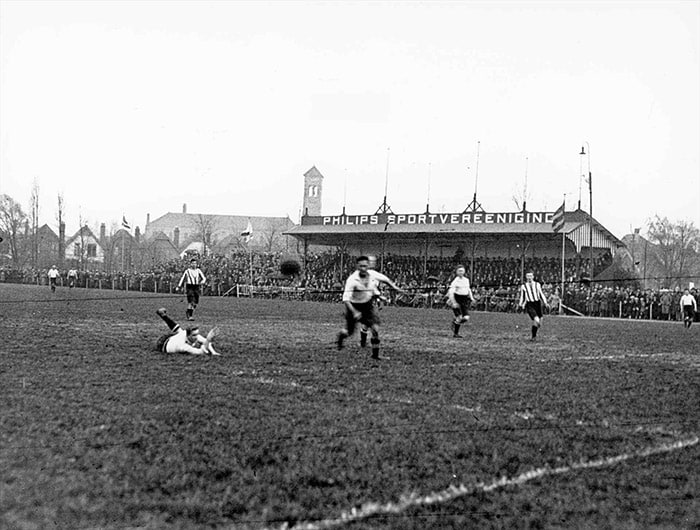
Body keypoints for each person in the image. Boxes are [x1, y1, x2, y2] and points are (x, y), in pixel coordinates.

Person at [336, 256, 394, 360]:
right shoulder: (352, 279)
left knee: (375, 328)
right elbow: (346, 299)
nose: (363, 268)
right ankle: (340, 338)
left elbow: (373, 289)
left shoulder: (371, 275)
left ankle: (375, 355)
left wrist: (381, 295)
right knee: (349, 332)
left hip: (366, 306)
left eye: (365, 266)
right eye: (361, 266)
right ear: (357, 266)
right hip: (353, 306)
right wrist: (354, 312)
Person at [356, 255, 406, 347]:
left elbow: (384, 282)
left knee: (366, 323)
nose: (373, 263)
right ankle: (371, 344)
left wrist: (380, 297)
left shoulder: (372, 274)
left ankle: (363, 342)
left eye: (374, 261)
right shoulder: (366, 273)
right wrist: (396, 289)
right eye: (371, 261)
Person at [155, 307, 220, 355]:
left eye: (197, 334)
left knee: (179, 330)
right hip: (163, 343)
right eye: (194, 335)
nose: (196, 337)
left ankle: (163, 315)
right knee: (179, 331)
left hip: (174, 338)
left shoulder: (190, 334)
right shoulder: (182, 346)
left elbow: (207, 344)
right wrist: (208, 340)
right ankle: (163, 315)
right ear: (188, 335)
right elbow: (200, 352)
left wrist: (214, 352)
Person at [518, 271, 550, 341]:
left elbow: (541, 294)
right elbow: (522, 297)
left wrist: (545, 302)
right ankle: (533, 336)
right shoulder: (523, 286)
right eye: (528, 276)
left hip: (538, 303)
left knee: (539, 322)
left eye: (530, 276)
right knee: (536, 320)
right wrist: (520, 304)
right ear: (526, 277)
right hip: (530, 304)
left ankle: (533, 336)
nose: (529, 278)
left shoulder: (537, 284)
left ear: (533, 277)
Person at [446, 264, 476, 338]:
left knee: (466, 318)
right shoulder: (455, 281)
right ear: (456, 272)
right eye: (459, 271)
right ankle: (456, 334)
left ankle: (455, 322)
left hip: (464, 300)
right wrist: (454, 302)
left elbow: (468, 289)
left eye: (462, 270)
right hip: (457, 299)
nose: (461, 272)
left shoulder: (466, 280)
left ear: (464, 271)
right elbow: (451, 292)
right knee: (459, 317)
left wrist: (472, 298)